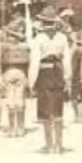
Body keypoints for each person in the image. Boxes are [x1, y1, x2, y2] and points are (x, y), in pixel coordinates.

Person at [29, 9, 71, 153]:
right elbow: (67, 61)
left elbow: (34, 62)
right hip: (58, 72)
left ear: (42, 21)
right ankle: (59, 145)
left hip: (44, 73)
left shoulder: (38, 39)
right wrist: (67, 78)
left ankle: (49, 144)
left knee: (45, 110)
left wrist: (31, 82)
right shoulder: (62, 38)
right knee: (58, 109)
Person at [0, 19, 30, 138]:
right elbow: (28, 62)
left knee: (10, 101)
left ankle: (12, 128)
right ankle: (21, 128)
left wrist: (0, 76)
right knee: (20, 100)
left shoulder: (4, 46)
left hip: (8, 71)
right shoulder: (24, 47)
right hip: (21, 72)